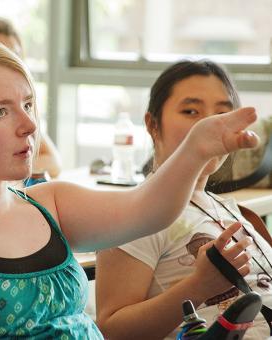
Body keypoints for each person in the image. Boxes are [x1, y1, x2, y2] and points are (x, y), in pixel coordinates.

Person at [0, 37, 258, 339]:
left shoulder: (49, 202)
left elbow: (150, 211)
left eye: (27, 104)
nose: (28, 125)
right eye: (0, 112)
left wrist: (196, 148)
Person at [96, 60, 272, 340]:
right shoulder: (134, 212)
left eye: (223, 112)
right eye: (191, 111)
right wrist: (199, 285)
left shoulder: (229, 209)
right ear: (153, 125)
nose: (211, 125)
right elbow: (111, 330)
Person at [0, 14, 62, 179]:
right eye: (0, 55)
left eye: (15, 56)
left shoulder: (19, 104)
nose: (10, 64)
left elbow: (53, 161)